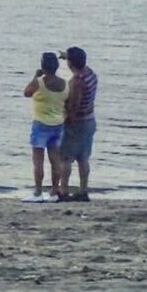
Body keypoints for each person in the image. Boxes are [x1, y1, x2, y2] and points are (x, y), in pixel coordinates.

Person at [21, 52, 67, 202]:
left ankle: (38, 192)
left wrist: (35, 76)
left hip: (41, 124)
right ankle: (54, 191)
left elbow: (27, 93)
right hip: (58, 124)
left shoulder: (39, 82)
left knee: (38, 161)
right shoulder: (64, 83)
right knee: (55, 160)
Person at [58, 46, 98, 202]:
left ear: (70, 63)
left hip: (77, 123)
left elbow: (74, 106)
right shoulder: (90, 73)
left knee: (65, 158)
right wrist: (66, 55)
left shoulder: (77, 82)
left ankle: (63, 191)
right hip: (90, 119)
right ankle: (83, 190)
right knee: (83, 158)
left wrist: (66, 120)